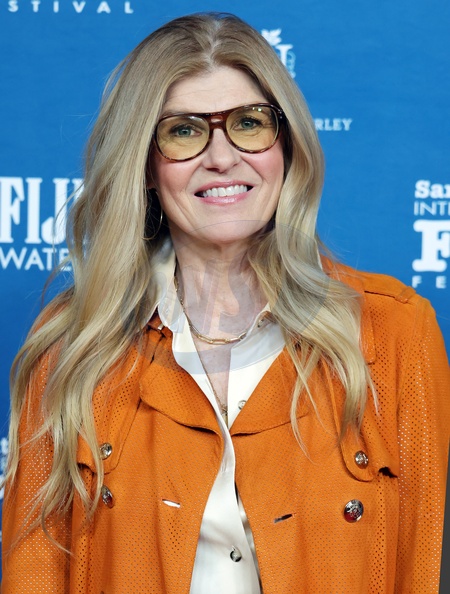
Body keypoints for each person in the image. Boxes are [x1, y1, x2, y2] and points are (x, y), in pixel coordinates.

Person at [2, 12, 449, 594]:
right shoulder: (73, 342)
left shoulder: (394, 330)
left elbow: (424, 563)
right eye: (184, 131)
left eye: (249, 123)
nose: (222, 157)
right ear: (145, 164)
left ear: (286, 146)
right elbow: (33, 574)